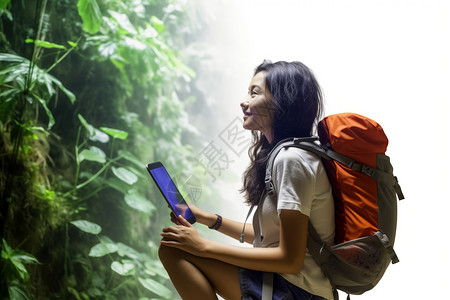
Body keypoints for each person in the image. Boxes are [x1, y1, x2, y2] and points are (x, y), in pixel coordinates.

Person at [159, 60, 335, 300]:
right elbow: (271, 239)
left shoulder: (291, 160)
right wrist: (209, 219)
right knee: (174, 247)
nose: (244, 102)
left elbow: (291, 259)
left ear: (282, 101)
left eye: (255, 93)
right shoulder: (288, 155)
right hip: (289, 285)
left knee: (174, 250)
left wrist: (204, 246)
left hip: (297, 291)